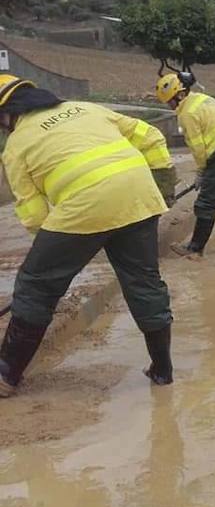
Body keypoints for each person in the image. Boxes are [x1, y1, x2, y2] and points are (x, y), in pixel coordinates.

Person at [0, 75, 177, 397]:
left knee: (35, 286)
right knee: (144, 281)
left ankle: (6, 375)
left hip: (83, 206)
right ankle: (163, 369)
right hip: (139, 197)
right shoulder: (88, 109)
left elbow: (34, 212)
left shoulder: (16, 145)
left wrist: (57, 250)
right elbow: (151, 136)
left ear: (5, 115)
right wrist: (164, 189)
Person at [157, 73, 215, 255]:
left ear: (179, 95)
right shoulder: (202, 98)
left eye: (170, 102)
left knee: (206, 202)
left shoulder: (187, 114)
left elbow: (198, 148)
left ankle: (194, 249)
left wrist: (202, 172)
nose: (170, 106)